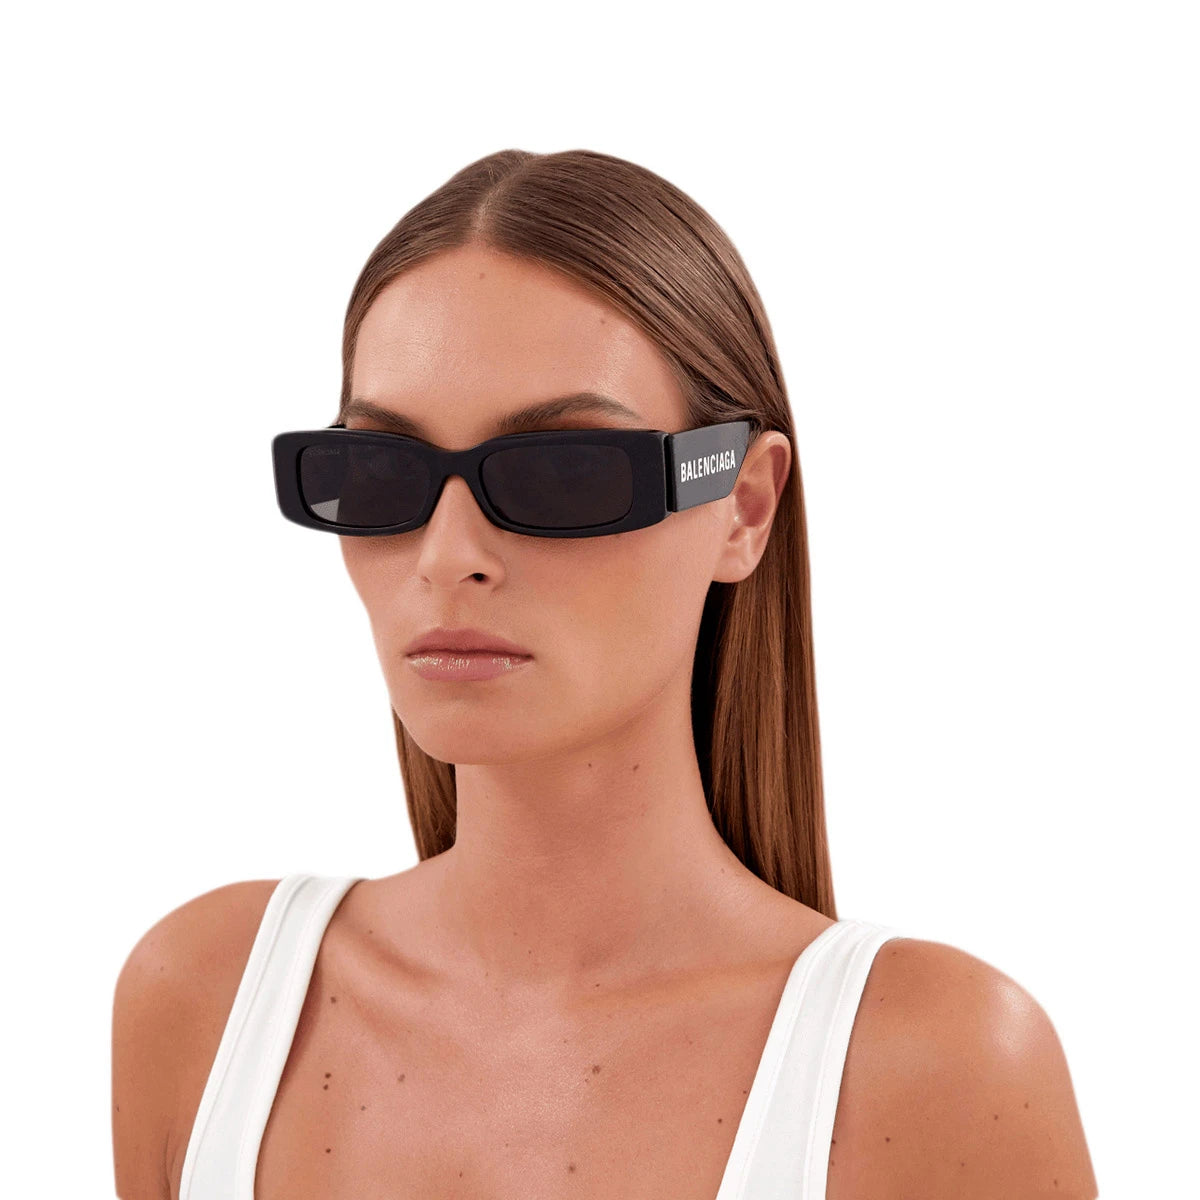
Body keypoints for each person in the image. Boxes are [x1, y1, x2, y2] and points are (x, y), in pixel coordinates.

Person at [112, 148, 1098, 1200]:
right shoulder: (207, 1003)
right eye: (380, 470)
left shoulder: (940, 1068)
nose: (448, 556)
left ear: (742, 505)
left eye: (564, 471)